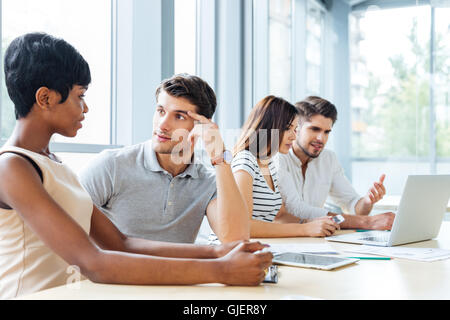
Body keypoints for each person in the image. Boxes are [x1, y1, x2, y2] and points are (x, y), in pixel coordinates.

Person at [0, 33, 272, 300]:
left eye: (178, 115)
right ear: (45, 98)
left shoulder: (55, 165)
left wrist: (216, 254)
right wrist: (220, 270)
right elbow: (93, 262)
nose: (85, 109)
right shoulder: (12, 167)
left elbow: (122, 243)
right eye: (79, 96)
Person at [79, 73, 250, 244]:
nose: (162, 125)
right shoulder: (111, 166)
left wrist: (220, 158)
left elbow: (235, 239)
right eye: (161, 111)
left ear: (202, 127)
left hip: (178, 271)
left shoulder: (209, 182)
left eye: (179, 116)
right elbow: (65, 228)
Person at [224, 95, 341, 239]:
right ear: (269, 127)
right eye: (287, 128)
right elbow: (243, 226)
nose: (293, 136)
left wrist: (312, 223)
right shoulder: (245, 161)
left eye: (295, 129)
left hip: (258, 249)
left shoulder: (269, 164)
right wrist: (304, 229)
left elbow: (280, 215)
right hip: (232, 254)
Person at [277, 96, 395, 230]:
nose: (321, 138)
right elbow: (294, 211)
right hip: (285, 239)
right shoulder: (278, 157)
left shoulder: (328, 159)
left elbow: (354, 206)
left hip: (315, 240)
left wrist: (367, 201)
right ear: (295, 129)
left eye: (326, 132)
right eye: (314, 129)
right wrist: (366, 222)